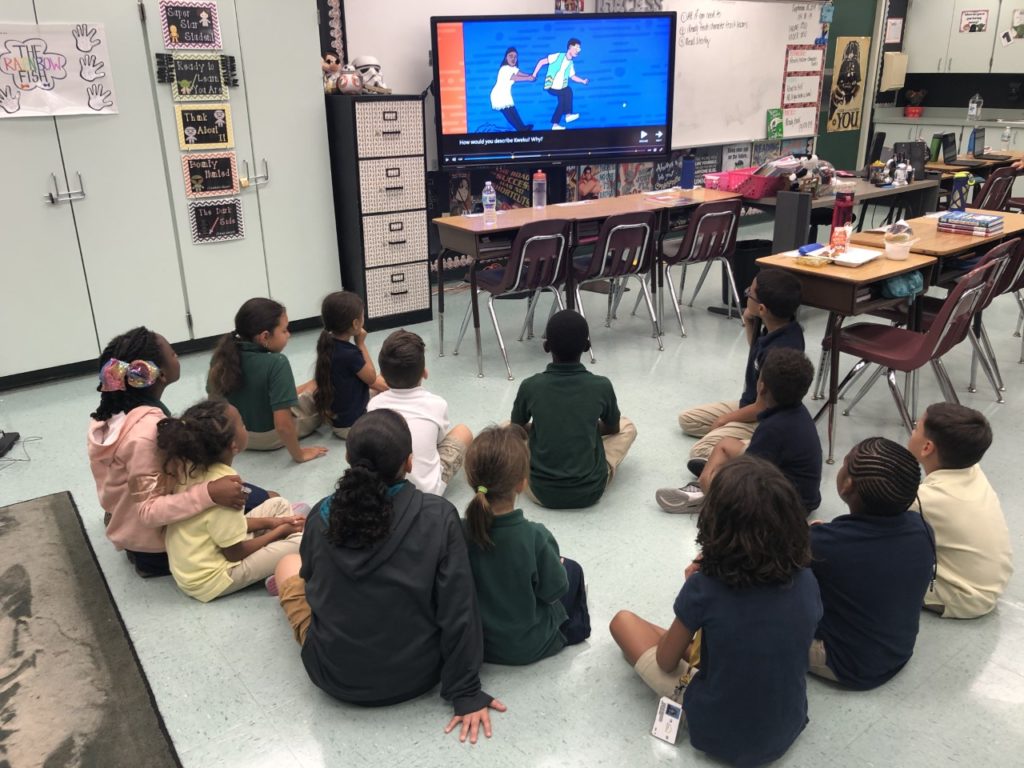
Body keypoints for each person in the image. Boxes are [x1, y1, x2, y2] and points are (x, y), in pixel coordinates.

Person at [271, 410, 505, 743]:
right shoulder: (438, 516)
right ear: (409, 463)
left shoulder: (320, 515)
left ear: (349, 459)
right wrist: (465, 691)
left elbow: (312, 581)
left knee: (288, 567)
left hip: (334, 675)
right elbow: (458, 606)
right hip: (418, 674)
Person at [610, 456, 821, 766]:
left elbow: (666, 662)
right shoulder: (806, 578)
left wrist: (695, 591)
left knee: (623, 622)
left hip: (720, 731)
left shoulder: (705, 587)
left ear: (714, 521)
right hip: (788, 720)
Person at [88, 327, 247, 578]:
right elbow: (149, 510)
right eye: (173, 353)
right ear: (159, 375)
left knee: (247, 495)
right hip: (154, 546)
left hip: (130, 526)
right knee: (256, 501)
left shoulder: (111, 415)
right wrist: (210, 493)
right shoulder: (144, 435)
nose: (177, 357)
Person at [809, 437, 935, 689]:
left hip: (845, 665)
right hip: (897, 651)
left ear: (847, 484)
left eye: (845, 463)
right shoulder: (922, 527)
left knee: (763, 601)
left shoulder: (826, 544)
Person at [463, 424, 590, 665]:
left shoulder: (458, 530)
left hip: (481, 643)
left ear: (471, 479)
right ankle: (575, 628)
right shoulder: (535, 536)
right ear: (522, 483)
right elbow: (553, 591)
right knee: (573, 569)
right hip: (529, 645)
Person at [157, 399, 305, 602]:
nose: (245, 427)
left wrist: (271, 522)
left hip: (194, 563)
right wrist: (280, 531)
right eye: (242, 424)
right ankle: (284, 574)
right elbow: (234, 553)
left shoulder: (191, 468)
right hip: (211, 579)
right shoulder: (228, 489)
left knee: (277, 505)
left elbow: (216, 528)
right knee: (302, 542)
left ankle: (276, 560)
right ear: (234, 445)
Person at [657, 348, 822, 514]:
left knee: (722, 476)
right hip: (796, 488)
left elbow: (748, 480)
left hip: (784, 507)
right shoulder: (795, 411)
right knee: (725, 444)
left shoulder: (773, 428)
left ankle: (705, 492)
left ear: (761, 388)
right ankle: (708, 481)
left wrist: (716, 479)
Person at [678, 268, 804, 474]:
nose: (747, 295)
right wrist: (749, 322)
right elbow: (756, 357)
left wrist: (725, 419)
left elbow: (762, 407)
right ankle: (737, 438)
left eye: (749, 293)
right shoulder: (777, 327)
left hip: (762, 416)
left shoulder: (779, 351)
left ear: (762, 308)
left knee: (700, 450)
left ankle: (754, 446)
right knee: (687, 420)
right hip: (750, 402)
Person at [511, 310, 637, 509]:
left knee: (505, 427)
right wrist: (586, 426)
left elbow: (515, 429)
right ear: (587, 347)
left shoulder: (530, 386)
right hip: (590, 491)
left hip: (539, 491)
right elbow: (613, 429)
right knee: (627, 426)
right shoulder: (601, 385)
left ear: (546, 347)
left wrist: (544, 426)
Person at [908, 403, 1012, 619]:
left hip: (963, 596)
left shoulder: (925, 500)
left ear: (927, 447)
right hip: (990, 582)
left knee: (875, 561)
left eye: (917, 427)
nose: (912, 431)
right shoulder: (971, 469)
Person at [207, 297, 327, 463]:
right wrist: (299, 455)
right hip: (269, 438)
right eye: (284, 331)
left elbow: (213, 405)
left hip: (236, 435)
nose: (289, 335)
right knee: (323, 390)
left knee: (310, 384)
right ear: (265, 337)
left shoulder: (221, 356)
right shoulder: (277, 362)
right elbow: (283, 425)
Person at [366, 330, 472, 495]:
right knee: (463, 431)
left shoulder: (374, 405)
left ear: (383, 377)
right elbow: (439, 441)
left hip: (387, 485)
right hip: (428, 491)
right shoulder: (437, 404)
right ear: (424, 372)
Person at [307, 291, 387, 440]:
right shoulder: (350, 354)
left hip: (339, 421)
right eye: (362, 316)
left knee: (382, 384)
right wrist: (361, 344)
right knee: (388, 390)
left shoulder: (327, 344)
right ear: (355, 324)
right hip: (353, 426)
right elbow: (370, 378)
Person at [531, 37, 589, 131]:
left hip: (562, 87)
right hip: (551, 86)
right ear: (570, 47)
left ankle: (567, 115)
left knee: (568, 91)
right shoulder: (558, 56)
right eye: (577, 47)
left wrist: (582, 81)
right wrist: (534, 74)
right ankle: (557, 123)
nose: (578, 50)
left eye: (579, 48)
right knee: (563, 99)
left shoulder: (570, 63)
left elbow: (573, 76)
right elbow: (542, 62)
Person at [490, 47, 535, 132]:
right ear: (506, 57)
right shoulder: (504, 68)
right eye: (511, 56)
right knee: (509, 115)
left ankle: (522, 128)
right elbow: (514, 77)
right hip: (498, 96)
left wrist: (530, 76)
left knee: (513, 112)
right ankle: (521, 130)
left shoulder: (513, 68)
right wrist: (528, 78)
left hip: (505, 95)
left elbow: (519, 73)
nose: (513, 59)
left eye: (515, 57)